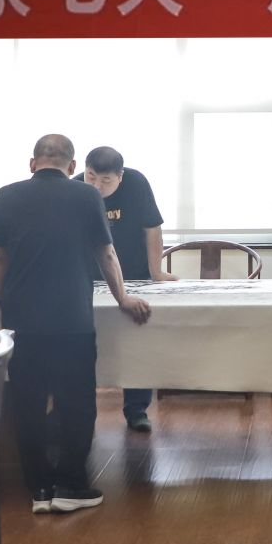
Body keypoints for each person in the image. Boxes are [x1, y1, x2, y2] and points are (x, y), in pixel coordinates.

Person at [0, 134, 152, 514]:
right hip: (72, 318)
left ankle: (38, 488)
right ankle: (71, 485)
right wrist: (122, 297)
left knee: (28, 403)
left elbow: (1, 257)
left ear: (32, 163)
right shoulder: (86, 196)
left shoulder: (6, 195)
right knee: (77, 403)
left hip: (22, 320)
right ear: (72, 167)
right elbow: (106, 252)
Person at [76, 146, 174, 433]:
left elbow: (152, 229)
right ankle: (78, 411)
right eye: (91, 177)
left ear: (120, 176)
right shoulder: (75, 188)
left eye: (105, 180)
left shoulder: (137, 183)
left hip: (133, 274)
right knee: (82, 344)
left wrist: (156, 271)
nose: (96, 186)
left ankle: (137, 410)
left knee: (137, 342)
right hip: (88, 278)